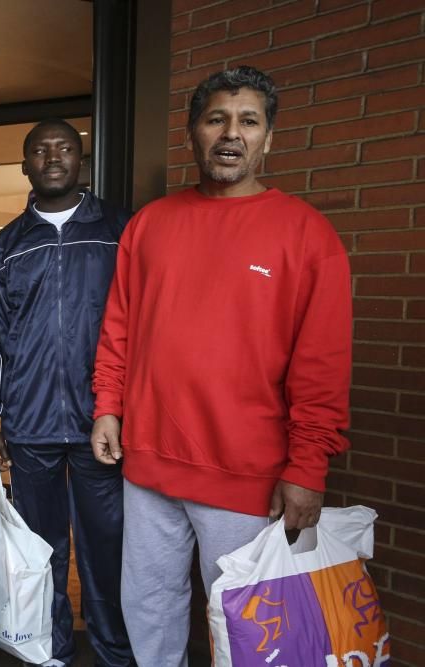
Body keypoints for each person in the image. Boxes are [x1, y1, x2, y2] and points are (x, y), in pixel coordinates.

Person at [90, 65, 352, 666]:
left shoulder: (307, 235)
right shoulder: (150, 224)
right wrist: (108, 405)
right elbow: (120, 328)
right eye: (216, 119)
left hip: (246, 478)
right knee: (149, 607)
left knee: (249, 628)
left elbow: (322, 367)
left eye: (248, 121)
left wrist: (308, 466)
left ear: (268, 137)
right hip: (148, 462)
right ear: (193, 133)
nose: (231, 133)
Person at [0, 119, 134, 667]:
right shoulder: (6, 248)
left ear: (81, 161)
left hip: (104, 427)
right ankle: (51, 653)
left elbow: (140, 329)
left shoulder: (120, 230)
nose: (52, 157)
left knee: (106, 552)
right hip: (30, 427)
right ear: (25, 165)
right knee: (40, 554)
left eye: (64, 147)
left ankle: (115, 653)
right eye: (39, 150)